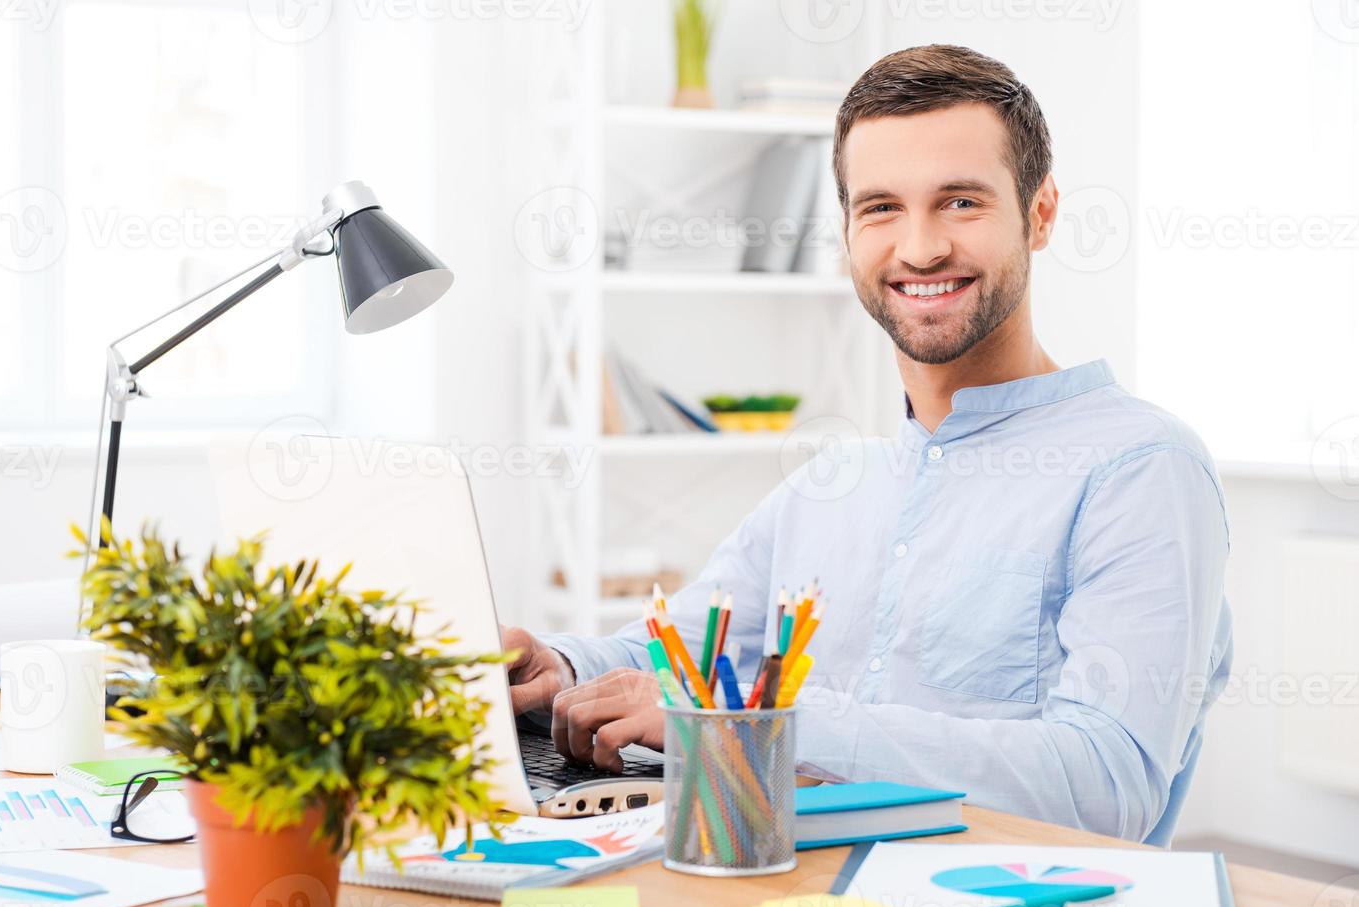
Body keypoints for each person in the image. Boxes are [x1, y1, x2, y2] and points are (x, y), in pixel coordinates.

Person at [504, 45, 1232, 846]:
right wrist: (559, 670)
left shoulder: (1140, 466)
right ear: (847, 229)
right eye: (880, 207)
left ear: (1041, 212)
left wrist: (766, 727)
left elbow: (1105, 783)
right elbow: (687, 649)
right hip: (789, 899)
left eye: (959, 202)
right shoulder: (836, 480)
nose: (918, 249)